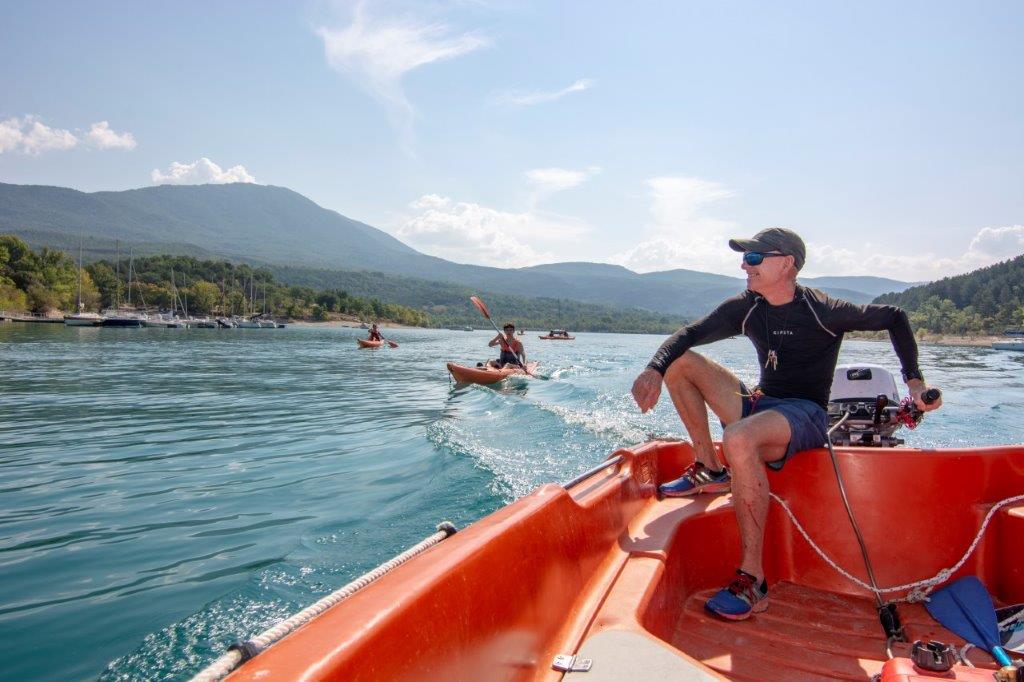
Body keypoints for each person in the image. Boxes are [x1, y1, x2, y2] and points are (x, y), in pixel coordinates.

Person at [630, 227, 941, 621]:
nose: (745, 264)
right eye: (745, 258)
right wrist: (654, 369)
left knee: (739, 437)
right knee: (681, 363)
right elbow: (690, 334)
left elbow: (894, 317)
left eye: (755, 257)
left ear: (787, 264)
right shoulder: (749, 306)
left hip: (806, 414)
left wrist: (914, 382)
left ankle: (753, 580)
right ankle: (710, 468)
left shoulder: (823, 311)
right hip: (764, 402)